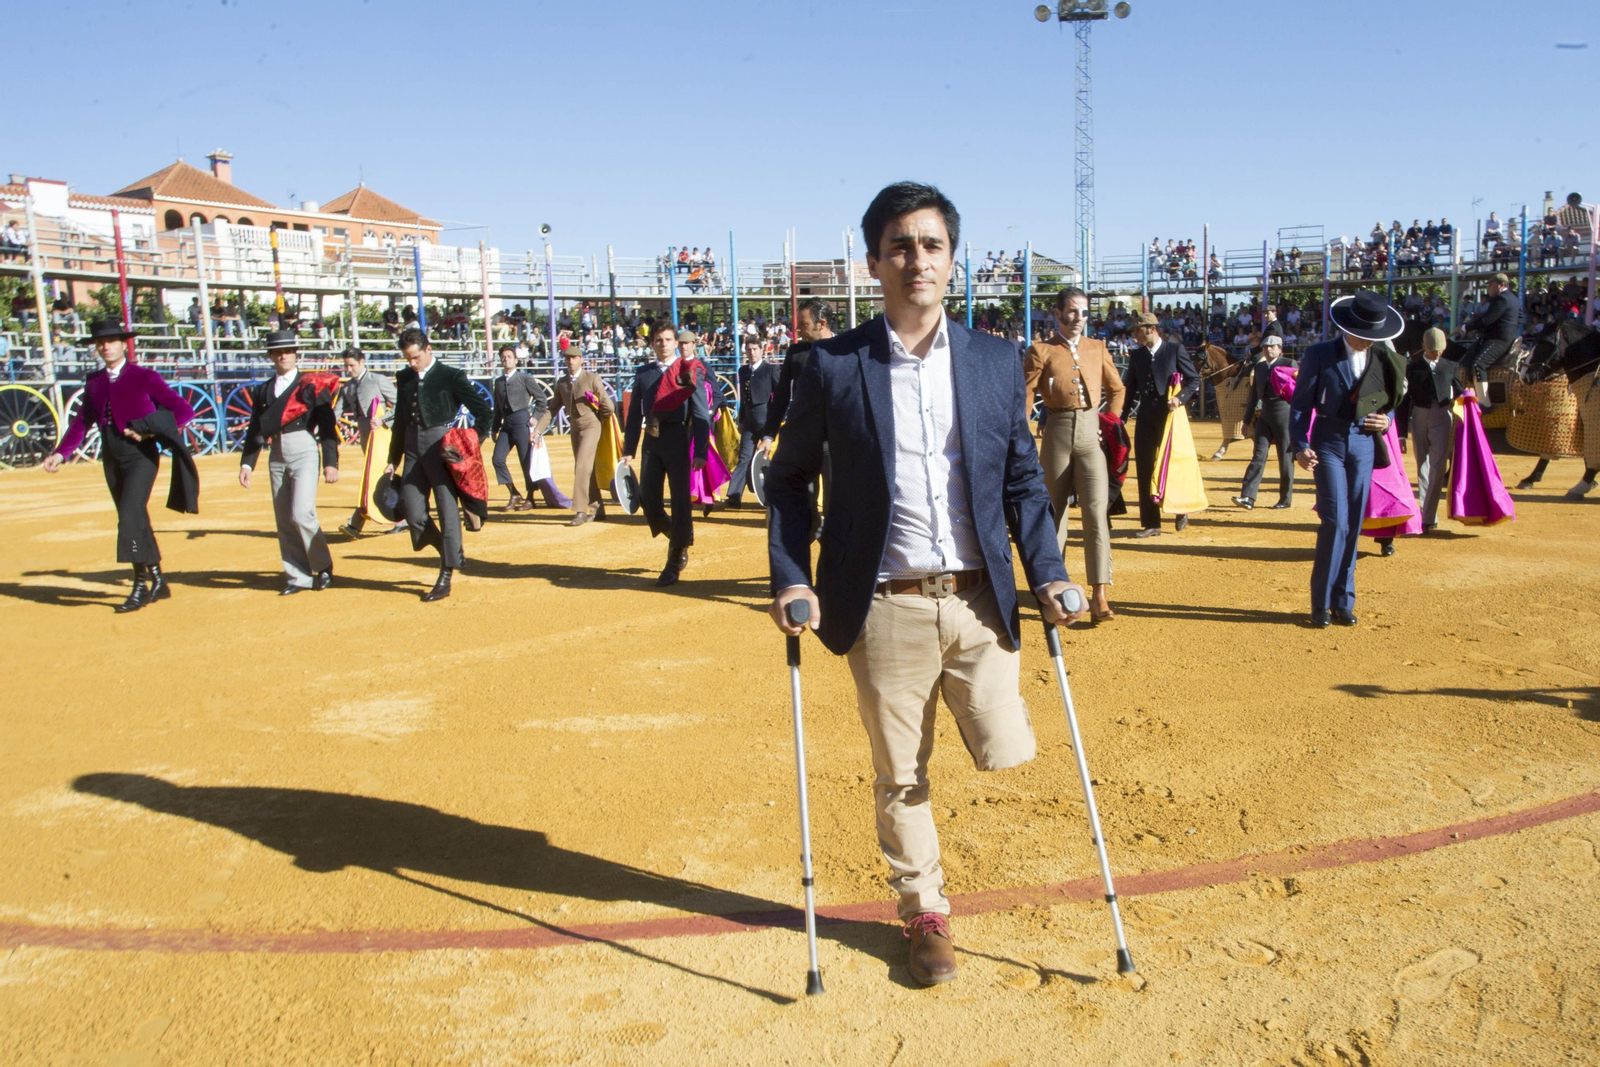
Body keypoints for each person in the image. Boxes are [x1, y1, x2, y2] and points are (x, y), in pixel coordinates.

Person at [768, 182, 1084, 988]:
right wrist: (792, 576)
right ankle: (925, 910)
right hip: (883, 604)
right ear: (874, 261)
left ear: (952, 259)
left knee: (1005, 746)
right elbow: (792, 478)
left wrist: (1047, 571)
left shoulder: (988, 358)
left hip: (981, 599)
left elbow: (1020, 477)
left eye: (932, 244)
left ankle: (931, 877)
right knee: (902, 773)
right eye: (901, 245)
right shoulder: (834, 364)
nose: (918, 259)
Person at [42, 318, 197, 612]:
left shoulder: (144, 376)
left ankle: (139, 584)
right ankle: (157, 578)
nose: (105, 346)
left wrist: (150, 429)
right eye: (100, 342)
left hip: (141, 456)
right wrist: (61, 453)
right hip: (111, 457)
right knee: (135, 517)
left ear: (123, 343)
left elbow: (183, 410)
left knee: (128, 518)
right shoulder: (95, 382)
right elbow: (81, 422)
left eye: (111, 341)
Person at [1290, 291, 1407, 627]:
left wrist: (1388, 420)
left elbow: (1394, 399)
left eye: (1375, 336)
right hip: (1328, 442)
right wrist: (1300, 444)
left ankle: (1343, 600)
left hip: (1364, 444)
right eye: (1364, 335)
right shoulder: (1319, 354)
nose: (1369, 342)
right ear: (1348, 327)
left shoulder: (1384, 355)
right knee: (1335, 521)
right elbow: (1300, 405)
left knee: (1354, 523)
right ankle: (1321, 603)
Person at [1023, 285, 1125, 621]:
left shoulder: (1097, 347)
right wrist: (1021, 432)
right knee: (1054, 514)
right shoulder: (1041, 350)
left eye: (1083, 312)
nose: (1078, 318)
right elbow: (1025, 395)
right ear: (1057, 314)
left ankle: (1100, 596)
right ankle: (1056, 588)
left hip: (1089, 434)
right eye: (1071, 311)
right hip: (1056, 433)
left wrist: (1108, 421)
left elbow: (1117, 389)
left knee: (1097, 512)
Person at [384, 328, 493, 602]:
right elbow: (399, 422)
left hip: (440, 446)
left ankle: (446, 572)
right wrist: (392, 460)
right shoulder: (405, 378)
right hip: (411, 447)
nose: (412, 363)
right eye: (408, 359)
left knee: (447, 509)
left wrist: (470, 441)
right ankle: (447, 549)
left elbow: (484, 412)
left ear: (428, 349)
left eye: (416, 357)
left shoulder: (450, 376)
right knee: (411, 508)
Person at [238, 330, 341, 595]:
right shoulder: (263, 390)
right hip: (276, 453)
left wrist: (331, 462)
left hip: (304, 448)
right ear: (271, 356)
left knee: (301, 513)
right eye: (277, 351)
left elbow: (327, 425)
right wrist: (248, 463)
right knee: (284, 519)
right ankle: (298, 577)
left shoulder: (309, 385)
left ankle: (323, 565)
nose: (283, 355)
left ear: (296, 354)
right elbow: (255, 428)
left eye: (288, 351)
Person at [622, 323, 709, 585]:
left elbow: (701, 413)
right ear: (652, 344)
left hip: (677, 439)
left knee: (680, 500)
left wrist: (701, 450)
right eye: (658, 340)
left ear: (675, 342)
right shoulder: (644, 373)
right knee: (648, 499)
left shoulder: (687, 370)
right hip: (651, 440)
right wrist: (629, 449)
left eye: (667, 339)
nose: (663, 343)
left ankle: (674, 558)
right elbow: (635, 414)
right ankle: (680, 537)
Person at [761, 299, 837, 535]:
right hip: (803, 441)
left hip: (837, 441)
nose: (797, 329)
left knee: (837, 506)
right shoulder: (795, 353)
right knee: (804, 504)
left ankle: (834, 558)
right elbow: (781, 396)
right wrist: (768, 434)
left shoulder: (846, 348)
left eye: (803, 324)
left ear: (821, 323)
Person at [1121, 311, 1199, 536]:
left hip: (1170, 415)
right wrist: (1122, 417)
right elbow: (1130, 389)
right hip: (1146, 415)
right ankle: (1151, 524)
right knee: (1145, 466)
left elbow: (1194, 379)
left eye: (1137, 331)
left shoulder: (1174, 350)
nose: (1134, 335)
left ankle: (1181, 508)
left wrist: (1180, 398)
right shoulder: (1137, 356)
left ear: (1151, 329)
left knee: (1174, 464)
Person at [1394, 327, 1461, 530]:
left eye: (1440, 350)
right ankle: (1425, 510)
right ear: (1423, 347)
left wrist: (1468, 397)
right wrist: (1401, 435)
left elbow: (1458, 391)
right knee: (1422, 464)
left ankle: (1429, 516)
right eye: (1433, 350)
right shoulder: (1412, 368)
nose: (1437, 353)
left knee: (1438, 465)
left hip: (1443, 415)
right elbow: (1404, 403)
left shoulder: (1451, 366)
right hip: (1420, 416)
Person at [336, 346, 401, 537]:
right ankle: (401, 517)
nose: (349, 370)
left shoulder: (377, 380)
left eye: (352, 365)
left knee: (376, 477)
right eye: (346, 366)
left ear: (362, 362)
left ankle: (357, 524)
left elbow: (400, 404)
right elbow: (335, 413)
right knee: (376, 478)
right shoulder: (347, 387)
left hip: (382, 436)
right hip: (367, 439)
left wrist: (383, 419)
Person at [550, 347, 615, 526]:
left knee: (581, 466)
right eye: (568, 358)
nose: (571, 361)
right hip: (575, 429)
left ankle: (580, 510)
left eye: (574, 358)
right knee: (587, 468)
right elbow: (552, 408)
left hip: (592, 426)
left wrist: (599, 420)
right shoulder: (562, 383)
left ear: (581, 360)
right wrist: (538, 429)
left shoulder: (592, 379)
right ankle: (596, 507)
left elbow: (608, 406)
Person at [1232, 334, 1296, 510]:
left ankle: (1285, 498)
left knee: (1285, 457)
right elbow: (1253, 396)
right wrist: (1246, 421)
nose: (1268, 349)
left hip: (1285, 413)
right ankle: (1248, 497)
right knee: (1258, 455)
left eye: (1272, 346)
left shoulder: (1289, 364)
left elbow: (1299, 393)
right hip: (1265, 414)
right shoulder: (1259, 367)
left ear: (1280, 349)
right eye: (1265, 347)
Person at [489, 344, 551, 511]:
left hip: (522, 422)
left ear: (516, 360)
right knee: (497, 459)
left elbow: (542, 400)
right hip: (506, 425)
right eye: (503, 357)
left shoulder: (524, 378)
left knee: (526, 462)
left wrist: (535, 418)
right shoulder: (499, 382)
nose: (505, 359)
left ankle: (531, 498)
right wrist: (494, 428)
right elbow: (497, 409)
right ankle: (514, 493)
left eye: (509, 356)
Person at [726, 341, 778, 507]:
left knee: (767, 457)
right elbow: (743, 398)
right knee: (744, 457)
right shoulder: (743, 371)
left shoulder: (771, 369)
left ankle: (771, 495)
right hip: (749, 418)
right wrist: (741, 420)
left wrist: (774, 420)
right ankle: (734, 495)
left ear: (761, 350)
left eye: (755, 349)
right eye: (749, 349)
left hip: (765, 417)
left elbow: (779, 396)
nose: (752, 352)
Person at [1457, 273, 1521, 407]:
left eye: (1491, 285)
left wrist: (1465, 327)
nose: (1489, 288)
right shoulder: (1513, 298)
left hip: (1499, 340)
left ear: (1501, 284)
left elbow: (1486, 320)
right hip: (1502, 337)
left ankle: (1484, 403)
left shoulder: (1501, 299)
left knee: (1478, 365)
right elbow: (1520, 318)